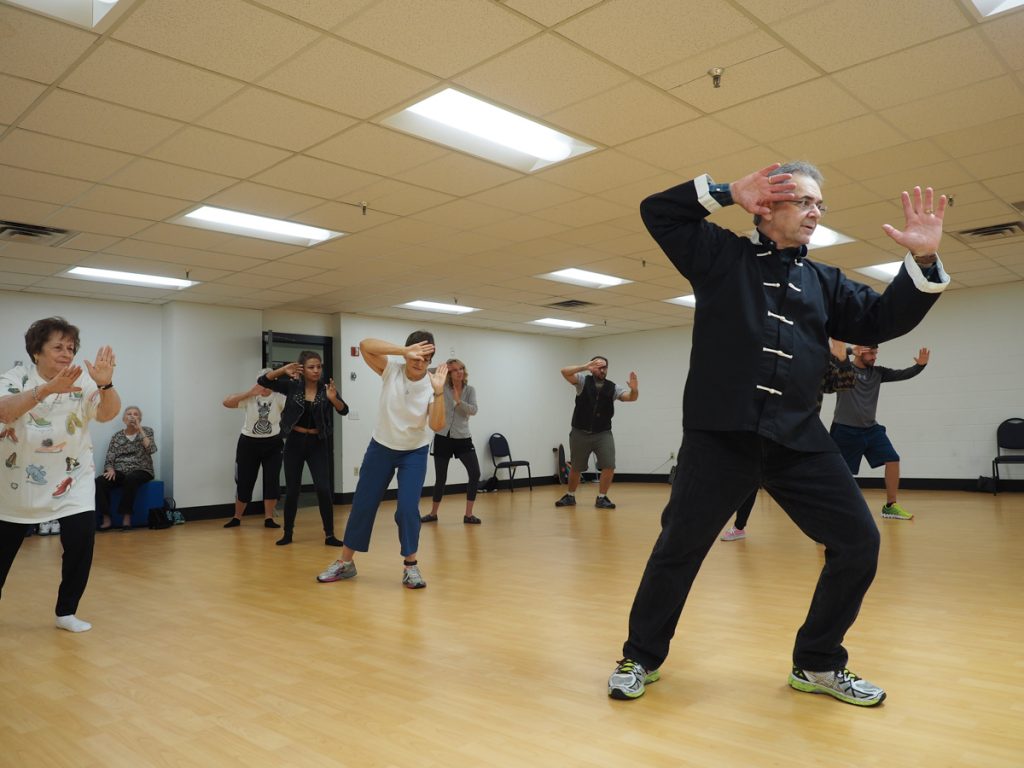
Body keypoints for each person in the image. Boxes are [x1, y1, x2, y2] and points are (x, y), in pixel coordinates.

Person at [608, 162, 949, 708]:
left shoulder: (826, 283)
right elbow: (658, 212)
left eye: (821, 205)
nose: (817, 212)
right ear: (768, 206)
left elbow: (883, 321)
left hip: (798, 440)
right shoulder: (720, 256)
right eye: (807, 202)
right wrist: (724, 192)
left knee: (859, 542)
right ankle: (641, 656)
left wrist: (923, 260)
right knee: (678, 549)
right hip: (719, 438)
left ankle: (817, 662)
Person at [0, 316, 120, 632]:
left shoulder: (84, 381)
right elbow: (5, 411)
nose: (66, 353)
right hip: (16, 483)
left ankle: (66, 612)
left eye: (71, 347)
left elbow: (107, 414)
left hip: (72, 480)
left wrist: (106, 384)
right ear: (37, 352)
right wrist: (48, 389)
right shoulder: (16, 376)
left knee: (81, 543)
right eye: (58, 347)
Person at [316, 332, 447, 590]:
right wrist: (403, 350)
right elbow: (365, 345)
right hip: (382, 447)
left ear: (431, 359)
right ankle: (346, 563)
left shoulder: (434, 385)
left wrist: (440, 393)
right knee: (363, 504)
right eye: (416, 356)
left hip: (414, 452)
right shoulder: (392, 370)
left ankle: (410, 566)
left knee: (408, 509)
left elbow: (437, 424)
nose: (419, 362)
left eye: (426, 357)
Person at [721, 339, 856, 541]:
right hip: (766, 431)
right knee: (751, 479)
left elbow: (843, 384)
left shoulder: (821, 361)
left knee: (817, 486)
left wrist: (843, 358)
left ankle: (824, 531)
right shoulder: (775, 352)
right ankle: (739, 527)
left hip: (803, 434)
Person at [829, 345, 931, 521]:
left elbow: (903, 374)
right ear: (861, 352)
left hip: (871, 429)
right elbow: (828, 355)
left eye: (876, 353)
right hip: (845, 429)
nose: (875, 357)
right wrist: (849, 350)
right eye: (872, 353)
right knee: (839, 473)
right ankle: (831, 512)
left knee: (892, 459)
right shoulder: (844, 368)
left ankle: (890, 506)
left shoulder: (878, 373)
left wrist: (920, 366)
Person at [258, 352, 349, 546]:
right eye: (311, 367)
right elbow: (263, 381)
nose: (316, 370)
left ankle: (330, 535)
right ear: (302, 368)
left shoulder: (327, 389)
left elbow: (344, 410)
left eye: (319, 366)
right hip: (295, 441)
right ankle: (288, 533)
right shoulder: (292, 386)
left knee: (324, 489)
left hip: (318, 442)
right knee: (293, 490)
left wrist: (333, 399)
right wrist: (282, 370)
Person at [554, 356, 638, 510]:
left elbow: (631, 398)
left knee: (609, 465)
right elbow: (564, 372)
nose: (602, 370)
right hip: (580, 431)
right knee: (576, 467)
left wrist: (634, 389)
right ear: (592, 368)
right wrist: (585, 366)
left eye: (604, 367)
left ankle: (602, 498)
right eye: (598, 366)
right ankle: (570, 496)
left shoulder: (613, 387)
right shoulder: (582, 381)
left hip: (603, 433)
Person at [420, 358, 481, 525]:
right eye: (455, 369)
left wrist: (459, 401)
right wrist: (443, 367)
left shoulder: (470, 390)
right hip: (442, 437)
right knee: (441, 478)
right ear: (449, 372)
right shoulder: (442, 387)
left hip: (462, 438)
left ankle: (468, 515)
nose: (459, 371)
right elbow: (427, 371)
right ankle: (433, 514)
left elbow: (474, 410)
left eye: (461, 368)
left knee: (475, 473)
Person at [222, 375, 286, 529]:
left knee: (272, 480)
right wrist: (249, 393)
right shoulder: (250, 397)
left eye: (268, 383)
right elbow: (226, 402)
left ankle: (269, 518)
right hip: (248, 443)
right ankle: (237, 517)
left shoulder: (279, 398)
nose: (265, 387)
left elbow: (295, 410)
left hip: (273, 443)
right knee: (244, 480)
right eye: (262, 383)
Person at [95, 406, 157, 530]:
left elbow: (151, 449)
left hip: (142, 469)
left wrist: (139, 429)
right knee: (100, 481)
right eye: (129, 414)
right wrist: (110, 468)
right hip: (121, 471)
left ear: (140, 418)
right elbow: (110, 457)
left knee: (131, 478)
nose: (132, 416)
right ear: (124, 419)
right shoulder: (117, 436)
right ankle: (106, 518)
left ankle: (126, 516)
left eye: (135, 414)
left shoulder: (147, 431)